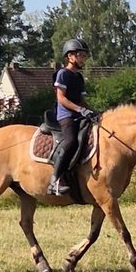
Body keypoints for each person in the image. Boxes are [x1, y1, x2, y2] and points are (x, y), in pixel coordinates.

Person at [48, 38, 98, 195]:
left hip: (79, 115)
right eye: (81, 55)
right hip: (66, 116)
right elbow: (61, 99)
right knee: (70, 142)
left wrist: (92, 112)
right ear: (70, 56)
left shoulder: (79, 77)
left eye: (84, 56)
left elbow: (82, 100)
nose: (83, 59)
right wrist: (79, 110)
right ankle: (55, 179)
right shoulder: (63, 74)